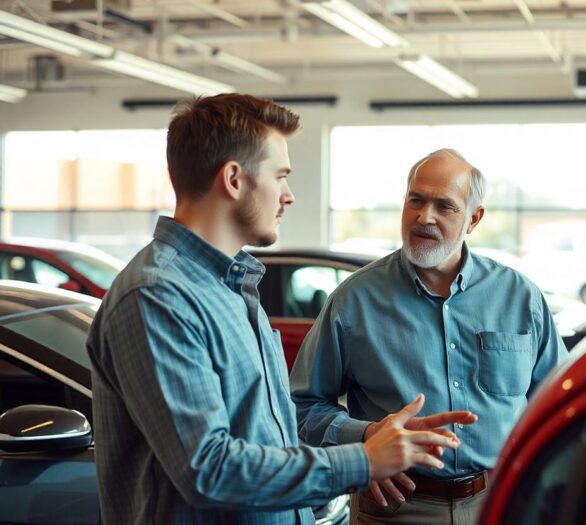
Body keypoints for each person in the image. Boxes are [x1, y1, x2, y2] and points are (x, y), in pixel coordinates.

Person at [86, 95, 477, 525]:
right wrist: (363, 461)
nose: (289, 196)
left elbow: (272, 427)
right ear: (234, 179)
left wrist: (368, 436)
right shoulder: (156, 296)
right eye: (281, 176)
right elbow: (209, 469)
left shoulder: (234, 288)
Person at [290, 148, 568, 524]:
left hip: (501, 503)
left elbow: (557, 405)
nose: (425, 217)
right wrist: (365, 437)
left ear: (474, 218)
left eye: (445, 206)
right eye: (415, 201)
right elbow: (301, 406)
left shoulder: (520, 298)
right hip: (396, 510)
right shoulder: (354, 301)